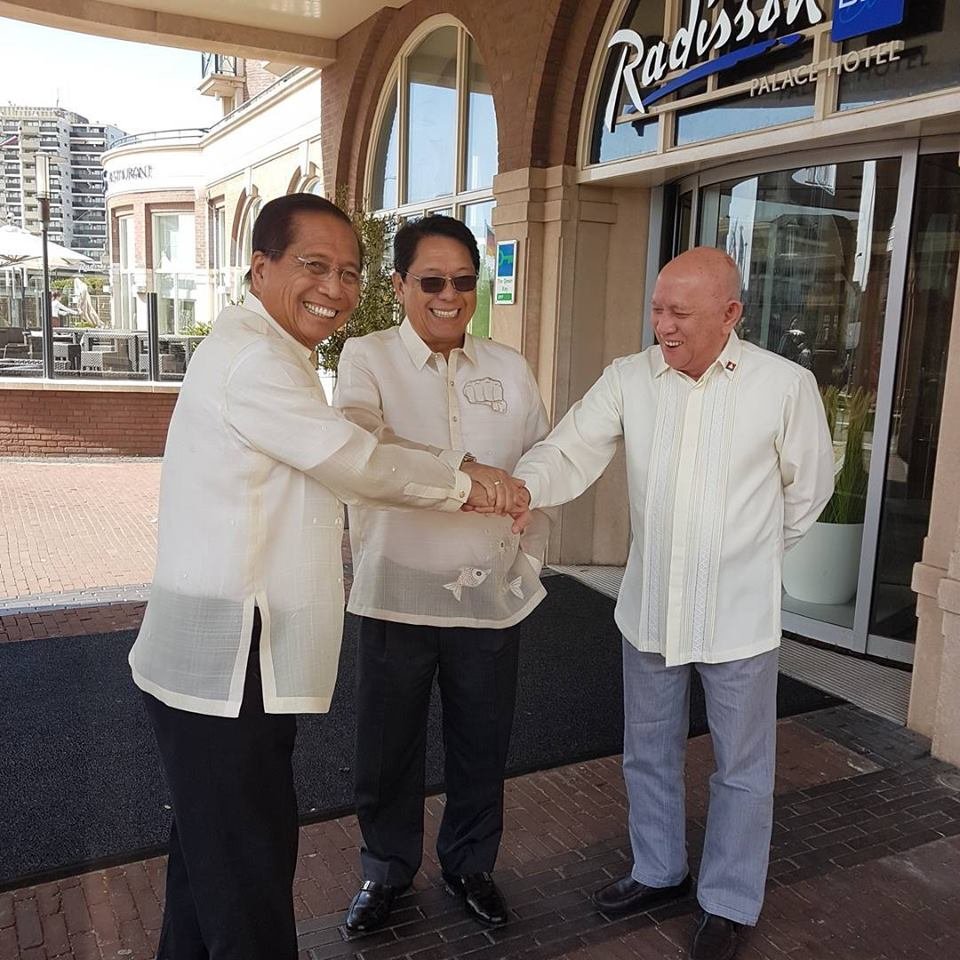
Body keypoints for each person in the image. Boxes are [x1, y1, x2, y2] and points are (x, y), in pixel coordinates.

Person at [128, 194, 526, 960]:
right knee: (247, 870)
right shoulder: (257, 361)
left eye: (349, 272)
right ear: (261, 266)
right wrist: (468, 481)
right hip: (223, 656)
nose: (336, 289)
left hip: (234, 654)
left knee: (211, 862)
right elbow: (358, 459)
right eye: (316, 266)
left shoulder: (273, 352)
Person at [512, 247, 834, 960]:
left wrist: (748, 555)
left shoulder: (785, 386)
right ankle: (657, 870)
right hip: (650, 608)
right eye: (657, 308)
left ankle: (728, 900)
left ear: (730, 315)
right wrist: (522, 489)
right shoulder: (630, 379)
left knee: (742, 768)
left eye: (680, 312)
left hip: (738, 619)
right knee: (647, 753)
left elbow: (808, 491)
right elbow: (569, 449)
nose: (662, 324)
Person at [335, 215, 551, 933]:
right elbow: (365, 442)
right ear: (399, 286)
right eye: (431, 281)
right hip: (396, 587)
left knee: (481, 742)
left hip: (486, 595)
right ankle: (385, 869)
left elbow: (538, 463)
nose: (449, 295)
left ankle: (469, 864)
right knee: (387, 747)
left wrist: (528, 539)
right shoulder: (367, 359)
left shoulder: (509, 369)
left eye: (464, 280)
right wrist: (462, 474)